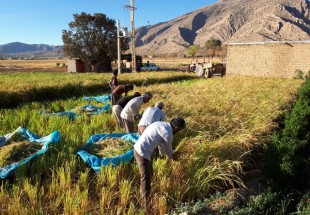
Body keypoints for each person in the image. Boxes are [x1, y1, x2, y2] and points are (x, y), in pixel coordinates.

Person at [134, 117, 186, 212]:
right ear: (177, 128)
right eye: (179, 130)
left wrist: (162, 156)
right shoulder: (168, 133)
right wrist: (175, 159)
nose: (178, 132)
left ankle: (145, 191)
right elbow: (169, 152)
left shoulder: (161, 124)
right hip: (142, 152)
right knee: (145, 178)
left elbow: (161, 145)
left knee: (150, 173)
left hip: (140, 148)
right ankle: (146, 206)